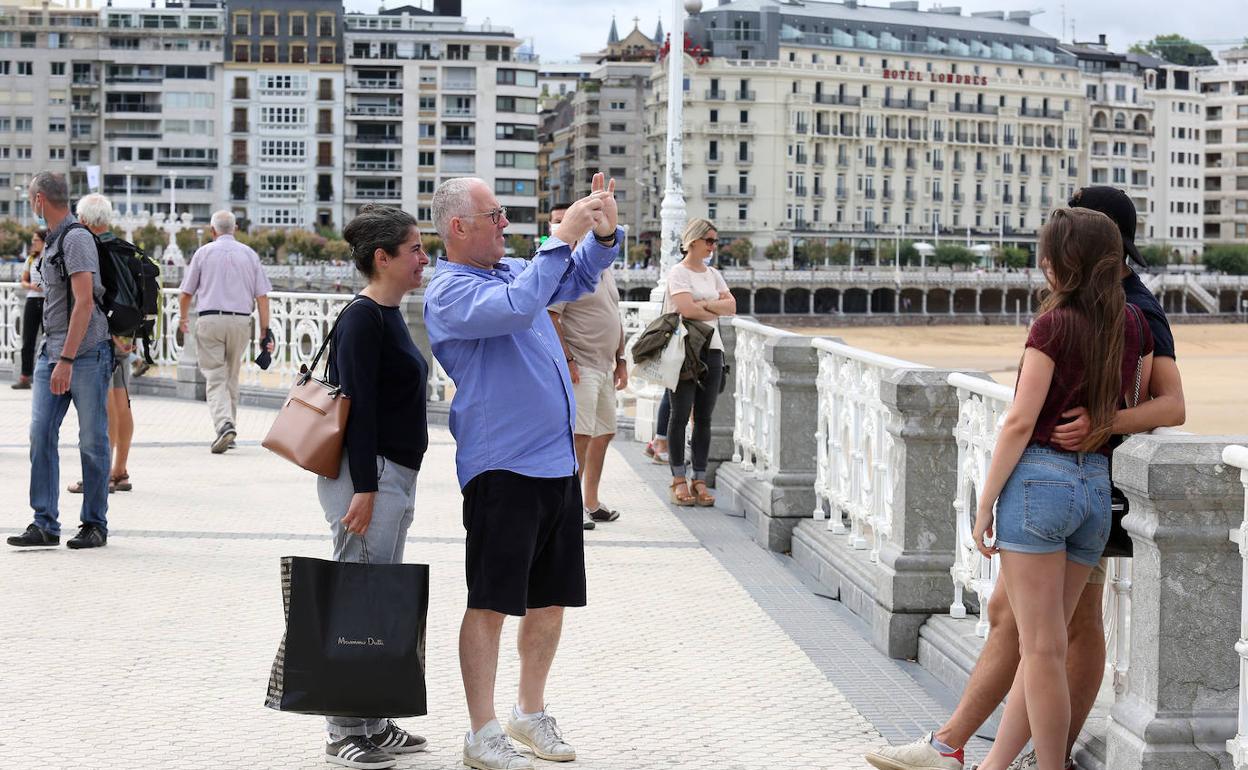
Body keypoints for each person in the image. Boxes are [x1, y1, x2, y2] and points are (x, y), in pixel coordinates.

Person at [865, 187, 1185, 770]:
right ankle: (983, 756)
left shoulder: (1060, 323)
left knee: (1044, 644)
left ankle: (1019, 760)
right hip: (1094, 487)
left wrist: (985, 503)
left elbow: (1019, 420)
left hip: (1042, 484)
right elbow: (1131, 389)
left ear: (1066, 256)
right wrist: (1105, 420)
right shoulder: (1132, 320)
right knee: (1041, 637)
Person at [424, 173, 621, 770]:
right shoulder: (450, 292)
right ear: (459, 227)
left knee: (550, 600)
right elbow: (517, 309)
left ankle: (528, 713)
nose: (506, 223)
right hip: (502, 468)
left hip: (556, 465)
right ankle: (482, 732)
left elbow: (575, 276)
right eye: (495, 215)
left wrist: (601, 235)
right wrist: (560, 235)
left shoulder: (511, 272)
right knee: (490, 602)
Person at [317, 205, 431, 770]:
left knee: (377, 598)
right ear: (381, 258)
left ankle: (372, 721)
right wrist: (364, 487)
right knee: (358, 597)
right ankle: (343, 730)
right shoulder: (363, 319)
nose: (424, 258)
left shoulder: (389, 313)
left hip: (391, 476)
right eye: (414, 249)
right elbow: (355, 410)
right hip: (371, 477)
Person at [7, 172, 112, 550]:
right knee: (40, 434)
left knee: (92, 441)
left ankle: (94, 524)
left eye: (30, 198)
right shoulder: (52, 240)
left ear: (39, 201)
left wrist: (66, 359)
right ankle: (45, 523)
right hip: (51, 352)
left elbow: (84, 303)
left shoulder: (77, 238)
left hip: (83, 355)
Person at [547, 202, 628, 530]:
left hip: (604, 365)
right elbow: (552, 316)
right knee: (579, 438)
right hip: (580, 365)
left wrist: (621, 360)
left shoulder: (603, 266)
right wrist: (567, 360)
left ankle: (590, 501)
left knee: (604, 432)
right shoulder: (567, 266)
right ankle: (568, 507)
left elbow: (615, 313)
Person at [178, 210, 273, 454]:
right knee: (231, 377)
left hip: (210, 320)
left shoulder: (203, 253)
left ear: (212, 231)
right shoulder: (250, 255)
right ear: (236, 228)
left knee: (215, 377)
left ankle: (224, 424)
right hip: (241, 322)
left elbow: (186, 293)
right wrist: (265, 331)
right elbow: (262, 297)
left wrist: (183, 317)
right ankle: (229, 431)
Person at [64, 194, 138, 495]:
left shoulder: (90, 249)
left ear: (82, 220)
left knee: (103, 406)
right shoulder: (124, 249)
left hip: (101, 334)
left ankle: (101, 474)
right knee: (122, 400)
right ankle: (120, 470)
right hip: (126, 332)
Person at [664, 218, 735, 507]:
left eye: (715, 241)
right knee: (680, 416)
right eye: (709, 240)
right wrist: (710, 306)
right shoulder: (678, 273)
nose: (713, 246)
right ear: (693, 241)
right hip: (684, 352)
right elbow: (686, 310)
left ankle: (700, 478)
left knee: (704, 418)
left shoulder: (713, 274)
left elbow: (731, 307)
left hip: (713, 351)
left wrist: (702, 305)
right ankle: (679, 479)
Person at [11, 228, 47, 390]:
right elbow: (23, 281)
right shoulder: (30, 259)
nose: (33, 244)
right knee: (28, 340)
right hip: (33, 300)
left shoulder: (51, 258)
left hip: (49, 302)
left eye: (36, 241)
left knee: (50, 339)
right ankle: (25, 377)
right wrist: (31, 286)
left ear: (44, 242)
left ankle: (48, 375)